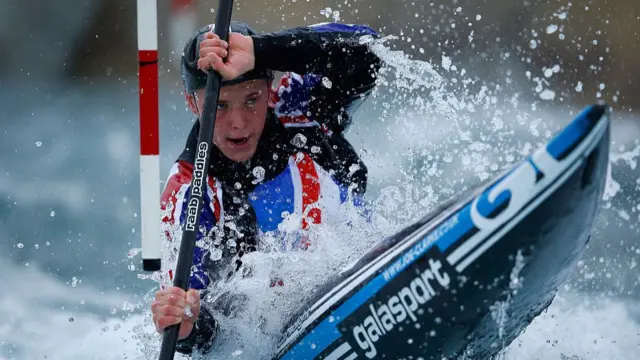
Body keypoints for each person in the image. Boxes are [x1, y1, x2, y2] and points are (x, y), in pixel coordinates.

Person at [150, 20, 382, 355]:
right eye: (220, 105)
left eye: (252, 99)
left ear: (270, 88)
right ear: (192, 104)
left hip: (365, 261)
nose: (238, 123)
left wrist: (262, 51)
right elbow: (205, 335)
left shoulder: (296, 98)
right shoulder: (189, 191)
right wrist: (187, 327)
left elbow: (369, 51)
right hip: (273, 331)